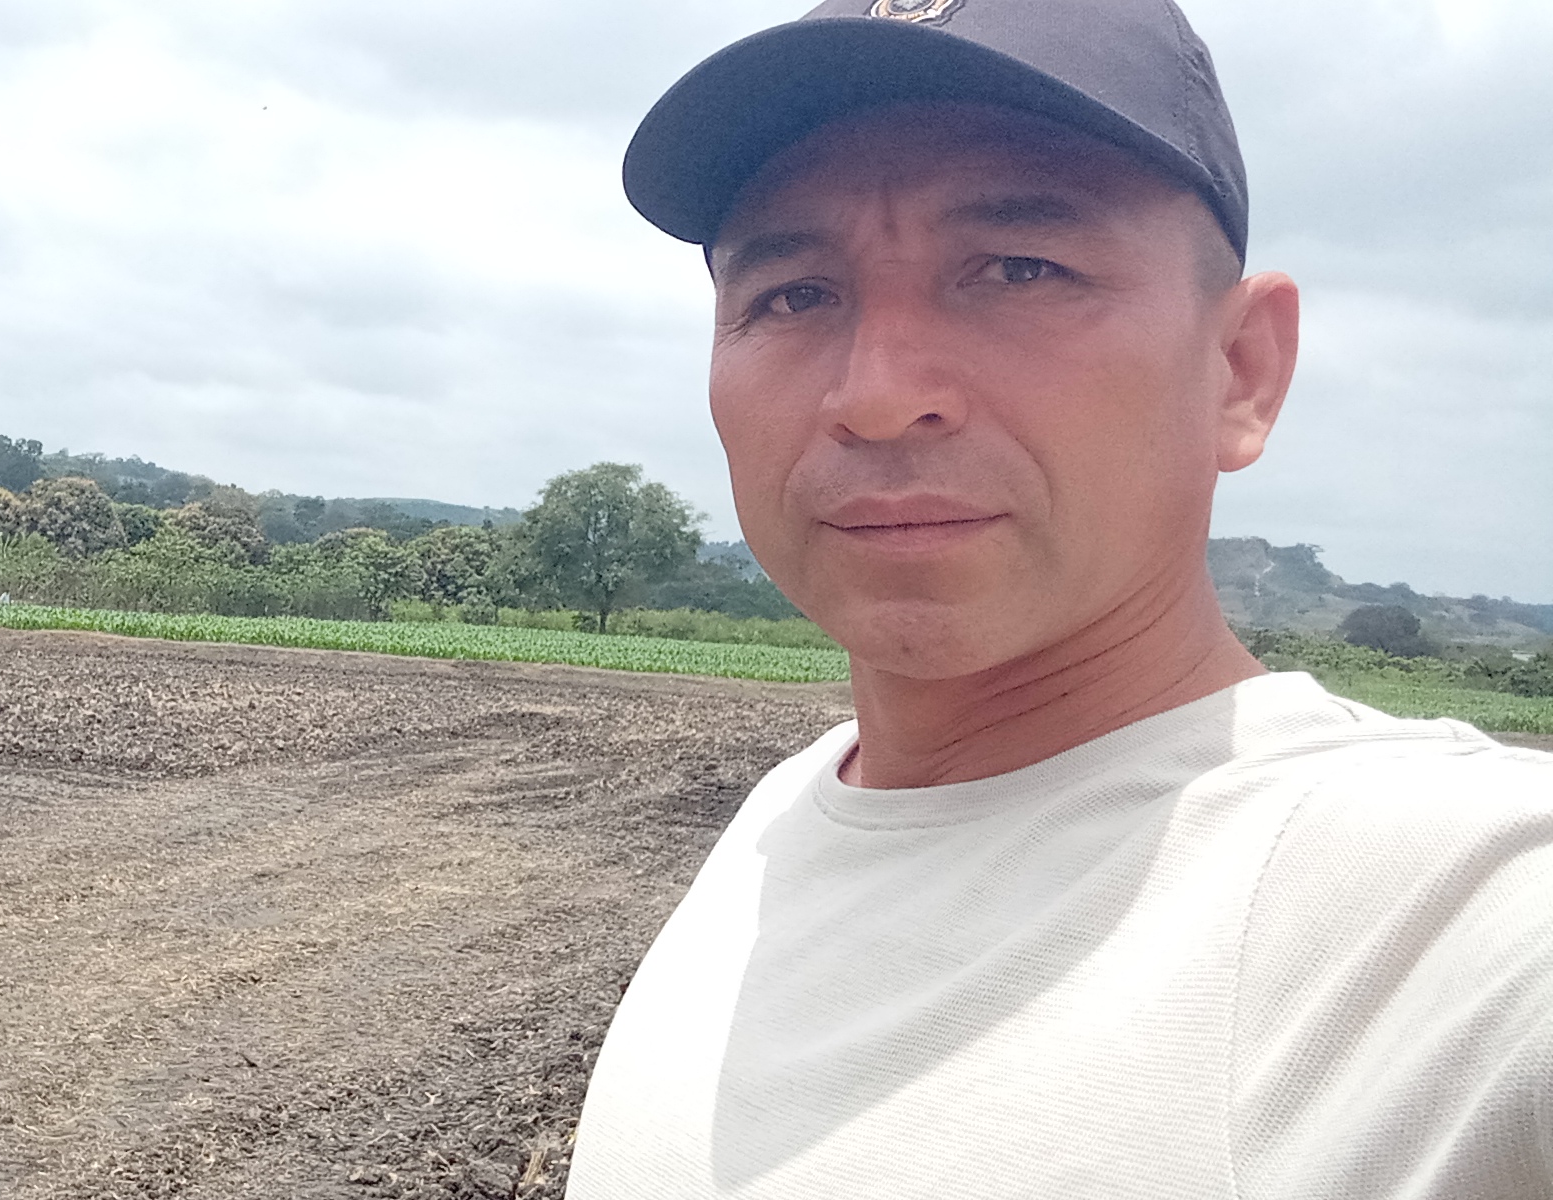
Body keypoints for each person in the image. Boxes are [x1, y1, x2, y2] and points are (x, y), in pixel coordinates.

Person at [568, 2, 1553, 1197]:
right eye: (792, 294)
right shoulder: (786, 819)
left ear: (1241, 371)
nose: (877, 395)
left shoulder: (1444, 914)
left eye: (1019, 269)